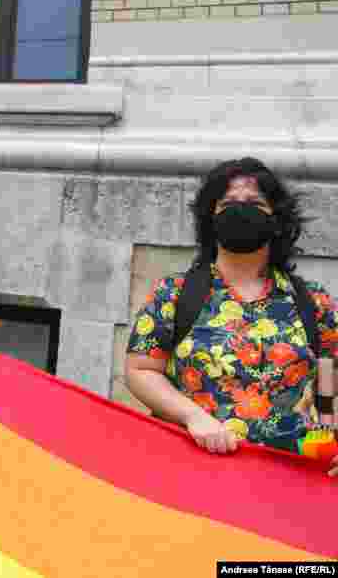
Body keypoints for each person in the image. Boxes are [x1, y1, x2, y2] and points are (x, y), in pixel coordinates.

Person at [125, 157, 338, 476]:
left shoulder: (314, 301)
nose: (241, 210)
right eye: (227, 203)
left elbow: (332, 379)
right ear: (210, 219)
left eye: (254, 203)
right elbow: (140, 370)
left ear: (277, 220)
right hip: (187, 471)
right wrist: (192, 416)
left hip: (289, 480)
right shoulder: (175, 293)